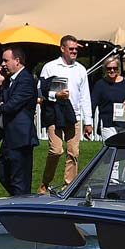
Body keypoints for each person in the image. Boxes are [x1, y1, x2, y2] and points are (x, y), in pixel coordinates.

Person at [37, 34, 92, 195]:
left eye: (76, 49)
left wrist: (88, 122)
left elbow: (85, 96)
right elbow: (41, 90)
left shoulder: (81, 69)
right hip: (54, 113)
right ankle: (45, 183)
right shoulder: (50, 67)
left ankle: (68, 187)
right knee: (56, 150)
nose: (74, 51)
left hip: (73, 115)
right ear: (62, 49)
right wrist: (56, 96)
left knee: (73, 152)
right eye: (71, 49)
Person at [0, 46, 39, 196]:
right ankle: (19, 199)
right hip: (8, 136)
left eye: (5, 60)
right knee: (2, 174)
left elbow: (10, 106)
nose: (3, 64)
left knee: (19, 180)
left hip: (21, 138)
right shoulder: (9, 81)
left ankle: (22, 206)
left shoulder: (26, 80)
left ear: (17, 61)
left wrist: (3, 105)